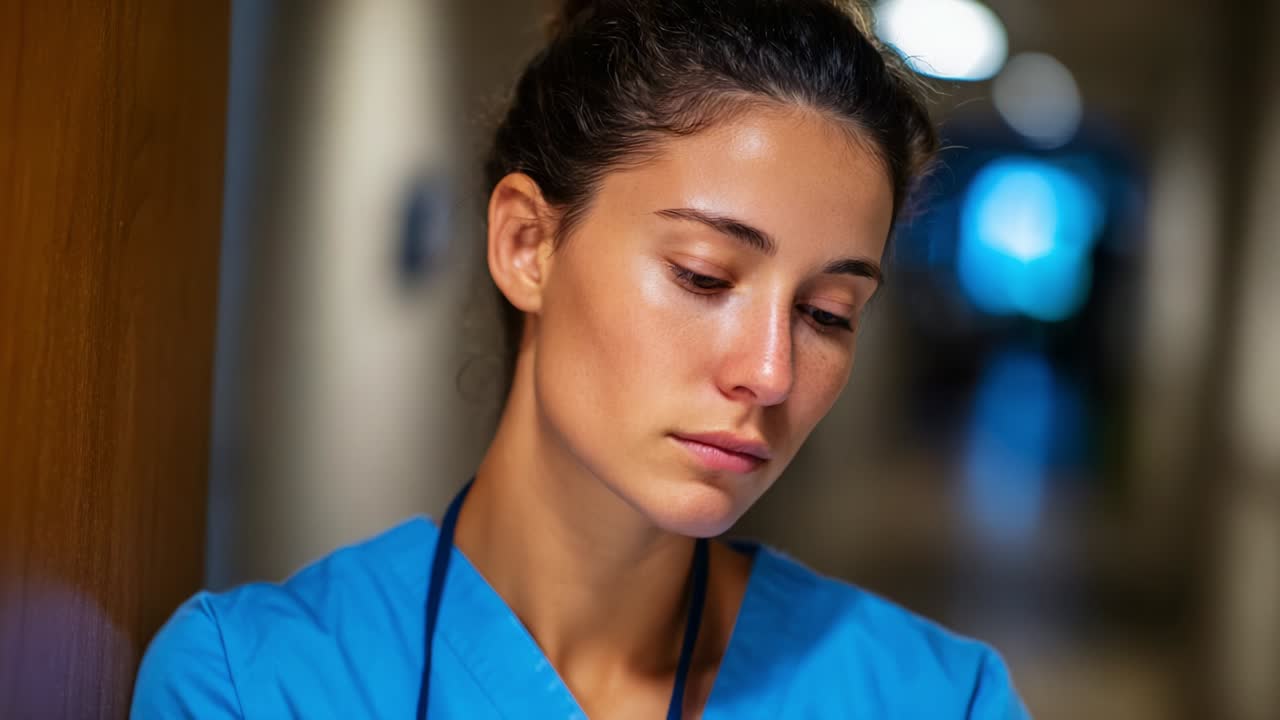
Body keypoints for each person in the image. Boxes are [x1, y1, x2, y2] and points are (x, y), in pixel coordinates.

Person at [132, 0, 1031, 717]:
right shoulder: (255, 683)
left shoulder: (934, 698)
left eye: (826, 314)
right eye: (703, 275)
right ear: (527, 244)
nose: (770, 372)